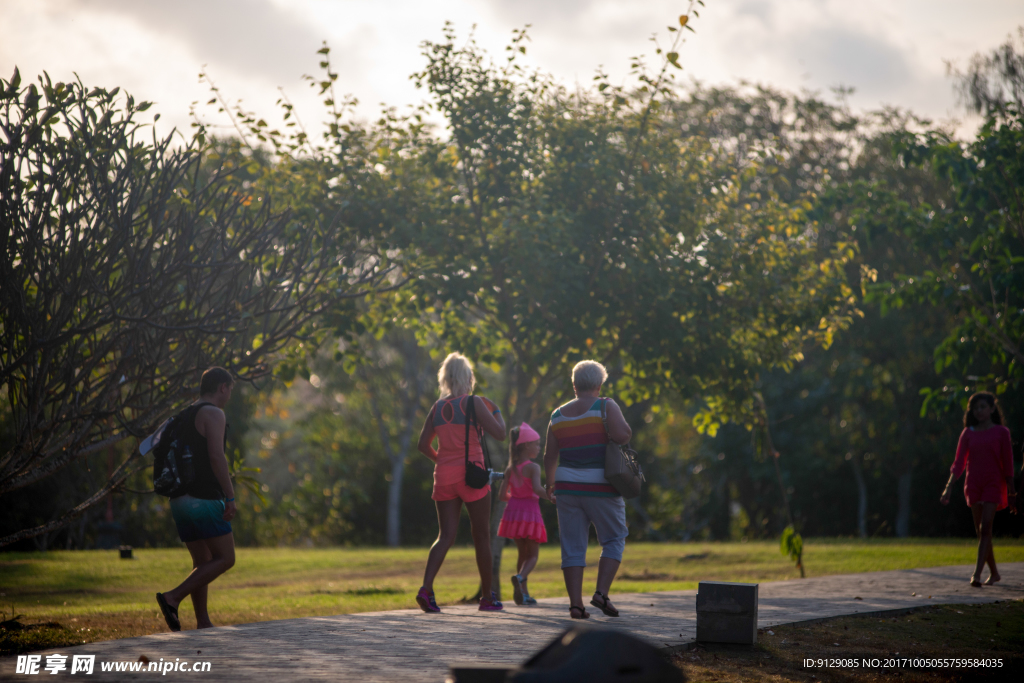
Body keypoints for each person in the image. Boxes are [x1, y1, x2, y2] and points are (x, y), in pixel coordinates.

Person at [416, 352, 507, 612]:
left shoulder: (438, 407)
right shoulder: (474, 403)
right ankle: (488, 597)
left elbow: (423, 445)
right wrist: (496, 410)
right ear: (468, 377)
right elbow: (500, 434)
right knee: (481, 536)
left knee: (445, 536)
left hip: (444, 477)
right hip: (473, 476)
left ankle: (426, 589)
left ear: (445, 378)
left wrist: (442, 462)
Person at [544, 360, 632, 619]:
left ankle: (575, 605)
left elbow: (550, 456)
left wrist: (551, 486)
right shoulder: (606, 405)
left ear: (574, 385)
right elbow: (623, 435)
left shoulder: (557, 415)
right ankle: (601, 593)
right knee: (614, 538)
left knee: (572, 546)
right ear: (599, 384)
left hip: (567, 488)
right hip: (601, 486)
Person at [156, 367, 237, 631]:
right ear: (222, 387)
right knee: (225, 558)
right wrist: (230, 495)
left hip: (179, 500)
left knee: (201, 562)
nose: (229, 395)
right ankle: (172, 597)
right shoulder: (214, 413)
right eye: (230, 390)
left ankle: (203, 621)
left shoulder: (182, 415)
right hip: (202, 498)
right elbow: (216, 456)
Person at [940, 391, 1017, 587]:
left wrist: (1012, 490)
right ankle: (995, 573)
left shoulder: (1002, 432)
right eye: (975, 408)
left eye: (983, 407)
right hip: (973, 483)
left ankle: (976, 574)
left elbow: (1008, 463)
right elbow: (959, 463)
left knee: (985, 528)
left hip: (993, 483)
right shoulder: (968, 433)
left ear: (992, 408)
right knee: (981, 531)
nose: (979, 411)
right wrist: (949, 487)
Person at [497, 422, 551, 606]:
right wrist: (551, 496)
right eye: (536, 444)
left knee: (522, 554)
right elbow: (537, 488)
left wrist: (516, 497)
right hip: (530, 512)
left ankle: (524, 593)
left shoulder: (510, 469)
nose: (538, 447)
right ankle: (520, 578)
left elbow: (502, 495)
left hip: (513, 514)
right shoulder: (533, 467)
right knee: (533, 555)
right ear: (527, 445)